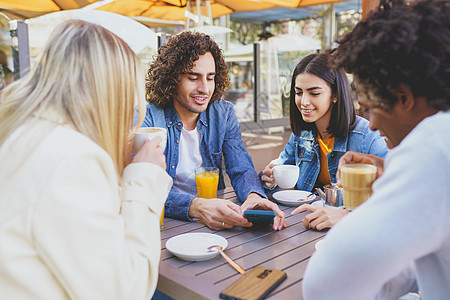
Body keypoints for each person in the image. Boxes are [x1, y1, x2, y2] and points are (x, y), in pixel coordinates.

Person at [0, 20, 172, 299]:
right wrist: (144, 178)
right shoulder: (69, 159)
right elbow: (127, 290)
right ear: (111, 92)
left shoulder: (25, 135)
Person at [303, 0, 450, 299]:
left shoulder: (435, 147)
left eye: (371, 108)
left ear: (403, 97)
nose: (371, 125)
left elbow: (325, 286)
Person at [144, 31, 285, 231]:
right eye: (193, 77)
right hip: (161, 225)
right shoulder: (149, 116)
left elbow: (240, 167)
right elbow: (144, 185)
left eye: (210, 78)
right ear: (172, 79)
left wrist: (254, 196)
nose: (205, 88)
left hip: (214, 224)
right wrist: (195, 206)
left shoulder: (223, 113)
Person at [260, 53, 388, 230]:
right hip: (307, 225)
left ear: (335, 95)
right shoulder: (302, 134)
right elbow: (281, 166)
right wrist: (268, 176)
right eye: (298, 93)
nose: (304, 101)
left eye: (314, 93)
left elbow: (394, 198)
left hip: (354, 230)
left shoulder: (368, 136)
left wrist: (347, 216)